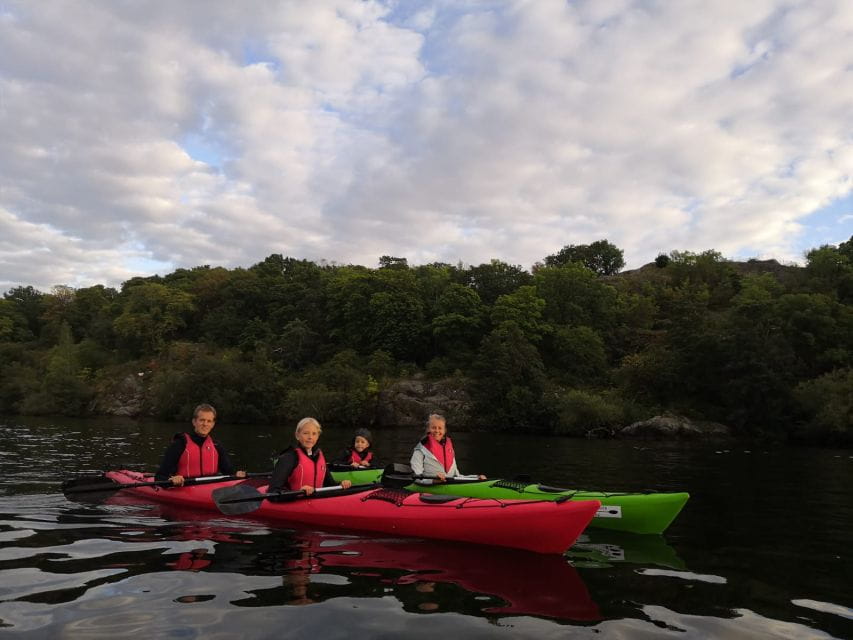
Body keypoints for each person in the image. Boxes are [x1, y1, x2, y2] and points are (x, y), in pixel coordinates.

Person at [154, 403, 246, 486]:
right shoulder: (179, 444)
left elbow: (229, 473)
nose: (205, 424)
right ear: (194, 422)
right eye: (202, 420)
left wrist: (237, 475)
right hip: (184, 488)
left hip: (210, 489)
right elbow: (160, 477)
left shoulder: (217, 446)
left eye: (209, 421)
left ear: (213, 424)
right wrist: (171, 480)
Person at [269, 417, 352, 495]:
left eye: (314, 434)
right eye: (306, 433)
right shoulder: (289, 457)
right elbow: (273, 491)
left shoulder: (319, 456)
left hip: (316, 500)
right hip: (295, 500)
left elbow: (329, 484)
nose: (310, 437)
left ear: (318, 437)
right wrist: (298, 492)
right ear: (297, 435)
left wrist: (341, 484)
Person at [409, 413, 486, 484]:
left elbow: (457, 476)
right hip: (429, 487)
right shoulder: (420, 450)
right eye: (433, 428)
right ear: (428, 429)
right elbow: (416, 478)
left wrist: (476, 478)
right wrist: (434, 481)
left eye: (440, 428)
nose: (437, 431)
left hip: (449, 485)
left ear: (444, 431)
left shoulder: (449, 449)